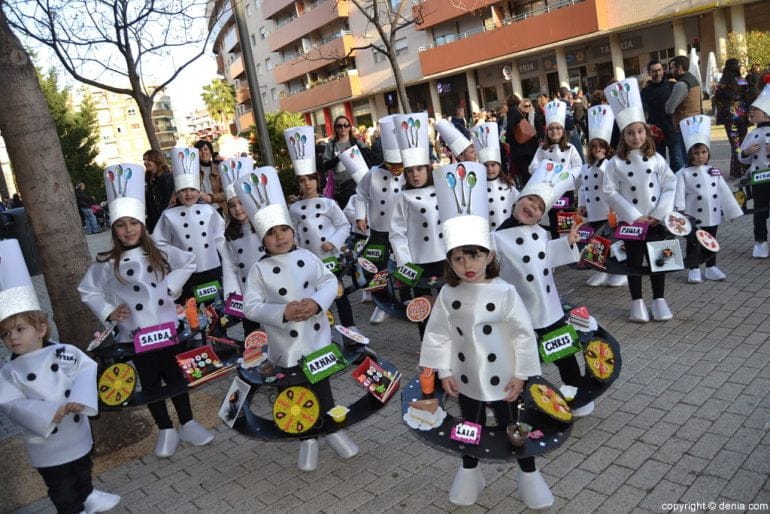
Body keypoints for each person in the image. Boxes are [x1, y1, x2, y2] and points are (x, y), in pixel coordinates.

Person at [79, 162, 214, 458]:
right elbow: (87, 289)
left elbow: (188, 261)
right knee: (150, 381)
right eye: (121, 225)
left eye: (133, 223)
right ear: (114, 229)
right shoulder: (106, 262)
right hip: (135, 334)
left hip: (166, 328)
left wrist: (171, 287)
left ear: (142, 224)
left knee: (176, 376)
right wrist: (108, 311)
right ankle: (165, 428)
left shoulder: (159, 251)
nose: (128, 230)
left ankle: (188, 423)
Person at [418, 213, 550, 508]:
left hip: (503, 377)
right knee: (470, 426)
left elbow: (524, 335)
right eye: (458, 258)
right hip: (465, 377)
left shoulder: (505, 292)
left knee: (512, 427)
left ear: (489, 255)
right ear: (449, 261)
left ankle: (529, 474)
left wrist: (521, 374)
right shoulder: (449, 292)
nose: (467, 266)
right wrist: (442, 371)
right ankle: (470, 470)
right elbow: (438, 333)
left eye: (474, 256)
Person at [1, 239, 121, 514]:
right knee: (60, 486)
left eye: (20, 329)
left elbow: (86, 368)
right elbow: (10, 403)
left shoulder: (64, 352)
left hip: (75, 431)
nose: (12, 338)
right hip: (46, 443)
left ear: (41, 328)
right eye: (6, 334)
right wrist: (47, 413)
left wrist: (80, 397)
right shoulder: (9, 371)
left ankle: (89, 495)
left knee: (82, 467)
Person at [241, 199, 359, 472]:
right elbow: (251, 307)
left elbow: (329, 281)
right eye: (271, 232)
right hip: (284, 344)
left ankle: (331, 430)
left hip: (315, 338)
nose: (279, 237)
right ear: (262, 238)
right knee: (292, 391)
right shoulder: (258, 270)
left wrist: (317, 302)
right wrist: (282, 312)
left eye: (284, 229)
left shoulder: (308, 256)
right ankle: (306, 437)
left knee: (321, 386)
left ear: (293, 231)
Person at [494, 179, 594, 418]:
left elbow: (548, 257)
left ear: (541, 216)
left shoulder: (541, 233)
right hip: (519, 313)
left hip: (549, 309)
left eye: (539, 207)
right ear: (519, 199)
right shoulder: (496, 237)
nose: (533, 208)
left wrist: (567, 243)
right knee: (519, 361)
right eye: (530, 200)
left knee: (565, 357)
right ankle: (515, 404)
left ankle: (575, 396)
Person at [603, 79, 677, 322]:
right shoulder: (615, 163)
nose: (636, 136)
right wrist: (634, 216)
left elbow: (670, 183)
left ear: (647, 132)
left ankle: (659, 300)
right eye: (630, 132)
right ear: (623, 135)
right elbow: (610, 192)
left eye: (640, 131)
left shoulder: (656, 158)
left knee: (659, 259)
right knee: (633, 263)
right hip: (632, 222)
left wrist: (659, 214)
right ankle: (636, 302)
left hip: (655, 220)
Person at [285, 125, 357, 329]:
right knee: (316, 299)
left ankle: (350, 330)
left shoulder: (329, 204)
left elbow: (344, 226)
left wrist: (332, 242)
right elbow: (293, 234)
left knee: (339, 295)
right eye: (302, 181)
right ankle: (324, 332)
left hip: (330, 258)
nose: (307, 184)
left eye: (310, 179)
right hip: (308, 261)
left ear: (318, 180)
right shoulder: (295, 208)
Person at [389, 113, 444, 338]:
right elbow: (397, 232)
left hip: (443, 256)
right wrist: (404, 263)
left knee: (449, 303)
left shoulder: (441, 189)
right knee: (422, 307)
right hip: (418, 260)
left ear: (427, 169)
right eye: (410, 171)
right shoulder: (402, 197)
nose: (415, 175)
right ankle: (428, 349)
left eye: (419, 169)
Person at [153, 147, 226, 303]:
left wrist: (228, 263)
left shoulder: (208, 210)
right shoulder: (168, 215)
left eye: (192, 190)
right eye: (183, 190)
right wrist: (177, 258)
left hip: (212, 266)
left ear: (199, 191)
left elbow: (220, 237)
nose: (188, 194)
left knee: (216, 308)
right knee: (191, 309)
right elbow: (159, 243)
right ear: (176, 192)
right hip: (185, 272)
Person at [675, 115, 743, 282]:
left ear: (708, 153)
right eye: (696, 153)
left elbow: (724, 192)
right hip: (693, 216)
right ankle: (694, 268)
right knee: (693, 242)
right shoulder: (683, 173)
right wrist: (680, 211)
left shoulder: (714, 171)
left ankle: (711, 267)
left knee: (711, 241)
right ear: (689, 154)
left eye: (703, 152)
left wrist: (732, 211)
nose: (700, 156)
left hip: (712, 215)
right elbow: (678, 193)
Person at [354, 115, 406, 324]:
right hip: (378, 229)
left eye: (400, 164)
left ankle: (403, 301)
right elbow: (360, 195)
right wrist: (360, 215)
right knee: (376, 266)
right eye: (393, 164)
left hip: (401, 229)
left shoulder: (407, 174)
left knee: (402, 265)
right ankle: (381, 303)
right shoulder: (372, 174)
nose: (396, 169)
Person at [577, 105, 627, 288]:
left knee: (614, 241)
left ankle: (621, 270)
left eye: (601, 147)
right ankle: (601, 269)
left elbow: (615, 184)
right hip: (593, 211)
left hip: (609, 210)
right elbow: (583, 187)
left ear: (607, 149)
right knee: (596, 241)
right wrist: (581, 204)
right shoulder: (586, 167)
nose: (597, 149)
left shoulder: (611, 165)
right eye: (594, 146)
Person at [218, 157, 264, 338]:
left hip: (272, 289)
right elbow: (230, 268)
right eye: (232, 205)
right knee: (252, 334)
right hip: (247, 293)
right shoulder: (230, 234)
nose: (237, 209)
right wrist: (233, 296)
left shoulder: (264, 226)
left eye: (241, 202)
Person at [529, 100, 583, 238]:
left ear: (563, 130)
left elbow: (578, 165)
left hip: (566, 190)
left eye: (558, 128)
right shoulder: (542, 149)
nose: (555, 131)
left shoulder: (570, 148)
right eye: (551, 129)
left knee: (568, 220)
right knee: (554, 220)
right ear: (547, 131)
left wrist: (569, 176)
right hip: (550, 190)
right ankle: (555, 244)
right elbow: (533, 166)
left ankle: (570, 246)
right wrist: (544, 174)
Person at [739, 76, 770, 259]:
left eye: (755, 109)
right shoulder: (753, 134)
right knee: (760, 211)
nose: (751, 112)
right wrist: (747, 151)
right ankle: (760, 242)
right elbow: (742, 158)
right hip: (759, 179)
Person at [471, 121, 519, 230]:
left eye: (493, 165)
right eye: (485, 165)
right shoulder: (477, 188)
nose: (490, 169)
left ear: (499, 165)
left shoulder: (508, 186)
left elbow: (518, 205)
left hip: (507, 232)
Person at [641, 60, 685, 172]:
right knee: (659, 163)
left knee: (677, 162)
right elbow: (643, 112)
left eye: (659, 70)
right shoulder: (645, 92)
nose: (658, 73)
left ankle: (678, 187)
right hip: (655, 132)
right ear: (649, 73)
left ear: (663, 70)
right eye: (654, 71)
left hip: (672, 129)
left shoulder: (672, 86)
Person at [713, 58, 753, 178]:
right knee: (744, 142)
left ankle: (736, 171)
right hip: (742, 115)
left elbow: (717, 100)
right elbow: (748, 97)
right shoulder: (742, 81)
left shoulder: (722, 83)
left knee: (735, 144)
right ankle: (746, 169)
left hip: (728, 117)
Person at [320, 115, 371, 209]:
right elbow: (325, 165)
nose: (342, 128)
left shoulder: (356, 142)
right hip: (342, 189)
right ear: (335, 128)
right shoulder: (331, 145)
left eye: (345, 125)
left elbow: (370, 158)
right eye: (339, 126)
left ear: (349, 127)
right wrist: (339, 157)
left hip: (361, 184)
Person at [666, 56, 703, 169]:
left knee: (688, 160)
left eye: (672, 68)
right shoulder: (694, 79)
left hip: (684, 125)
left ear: (680, 68)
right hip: (696, 123)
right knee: (697, 157)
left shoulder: (681, 85)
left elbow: (669, 108)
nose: (671, 71)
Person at [504, 94, 539, 187]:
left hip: (520, 147)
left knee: (524, 172)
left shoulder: (512, 111)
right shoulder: (519, 111)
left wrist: (507, 139)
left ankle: (529, 189)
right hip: (528, 145)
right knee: (528, 169)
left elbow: (510, 128)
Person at [143, 149, 175, 233]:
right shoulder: (150, 179)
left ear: (157, 161)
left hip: (165, 223)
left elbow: (168, 203)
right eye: (144, 160)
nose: (146, 162)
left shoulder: (166, 177)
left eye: (149, 160)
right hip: (155, 224)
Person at [194, 140, 225, 212]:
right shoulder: (193, 170)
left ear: (211, 152)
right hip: (200, 210)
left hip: (218, 209)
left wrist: (211, 198)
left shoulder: (219, 169)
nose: (203, 152)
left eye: (206, 149)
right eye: (200, 150)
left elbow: (226, 193)